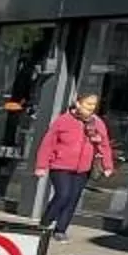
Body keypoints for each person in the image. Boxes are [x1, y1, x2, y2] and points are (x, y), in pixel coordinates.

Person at [33, 88, 115, 239]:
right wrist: (41, 166)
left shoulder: (97, 123)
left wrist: (108, 165)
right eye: (88, 104)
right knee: (63, 195)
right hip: (61, 165)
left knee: (73, 198)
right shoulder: (64, 120)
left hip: (83, 168)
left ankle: (60, 230)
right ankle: (46, 222)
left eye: (94, 104)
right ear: (77, 103)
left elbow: (104, 145)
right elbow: (48, 143)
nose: (91, 107)